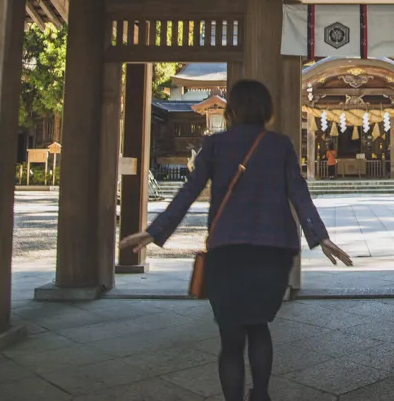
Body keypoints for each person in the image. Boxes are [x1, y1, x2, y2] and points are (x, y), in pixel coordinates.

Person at [120, 79, 353, 401]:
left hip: (227, 251)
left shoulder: (215, 145)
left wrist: (155, 230)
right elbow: (299, 194)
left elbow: (189, 192)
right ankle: (261, 395)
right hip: (273, 252)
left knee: (230, 339)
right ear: (267, 110)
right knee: (258, 327)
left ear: (232, 110)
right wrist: (320, 236)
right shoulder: (280, 145)